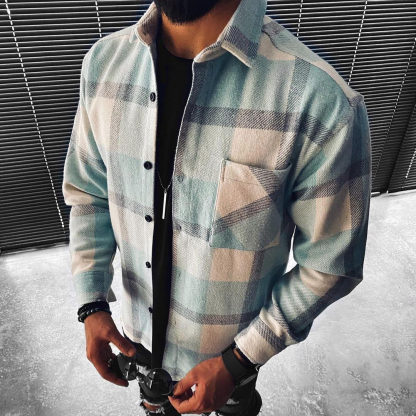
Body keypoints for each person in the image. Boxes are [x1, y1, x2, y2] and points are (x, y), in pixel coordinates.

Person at [62, 0, 372, 414]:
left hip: (234, 354)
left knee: (237, 408)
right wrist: (92, 302)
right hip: (137, 339)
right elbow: (89, 194)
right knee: (154, 406)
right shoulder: (103, 65)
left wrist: (240, 360)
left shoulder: (321, 103)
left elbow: (331, 264)